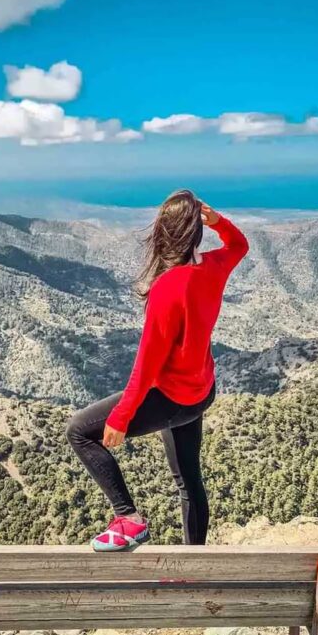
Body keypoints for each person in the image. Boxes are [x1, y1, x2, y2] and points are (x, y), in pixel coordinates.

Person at [66, 189, 249, 551]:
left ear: (164, 233)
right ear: (195, 232)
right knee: (188, 480)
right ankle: (193, 559)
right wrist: (219, 223)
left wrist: (121, 415)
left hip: (170, 397)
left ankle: (128, 520)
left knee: (79, 431)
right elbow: (239, 245)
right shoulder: (212, 267)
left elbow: (147, 366)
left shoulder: (168, 287)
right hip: (200, 393)